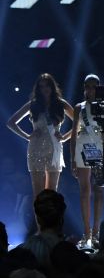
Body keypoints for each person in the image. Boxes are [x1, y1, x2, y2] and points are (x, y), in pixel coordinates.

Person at [6, 73, 75, 204]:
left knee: (51, 192)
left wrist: (65, 137)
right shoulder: (33, 104)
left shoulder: (60, 104)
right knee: (38, 193)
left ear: (52, 86)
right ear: (38, 88)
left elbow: (80, 123)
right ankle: (39, 224)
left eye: (47, 85)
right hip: (36, 148)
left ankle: (50, 223)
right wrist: (27, 136)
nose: (45, 88)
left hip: (54, 149)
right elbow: (11, 122)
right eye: (42, 86)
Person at [68, 74, 104, 249]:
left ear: (98, 88)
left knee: (99, 191)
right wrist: (72, 160)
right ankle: (87, 233)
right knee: (85, 191)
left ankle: (97, 231)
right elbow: (73, 135)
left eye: (93, 87)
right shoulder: (79, 107)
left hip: (99, 148)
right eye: (87, 86)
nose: (89, 90)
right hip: (83, 147)